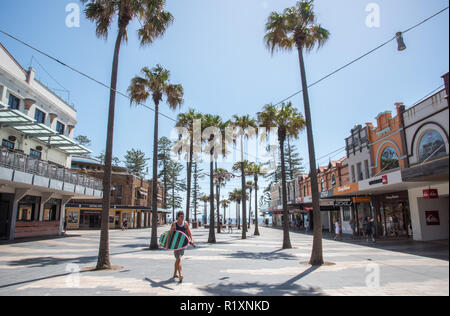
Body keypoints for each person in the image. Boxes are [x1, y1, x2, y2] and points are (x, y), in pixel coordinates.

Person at [169, 211, 195, 283]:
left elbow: (189, 233)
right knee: (178, 258)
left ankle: (174, 274)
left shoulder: (185, 223)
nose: (183, 218)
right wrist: (168, 244)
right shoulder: (174, 224)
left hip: (183, 243)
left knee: (178, 259)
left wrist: (191, 240)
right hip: (176, 244)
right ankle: (180, 274)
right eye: (181, 217)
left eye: (183, 216)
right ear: (178, 217)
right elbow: (169, 234)